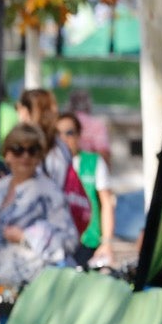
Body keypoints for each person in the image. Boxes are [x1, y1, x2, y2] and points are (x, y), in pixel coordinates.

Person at [0, 122, 75, 324]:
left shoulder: (48, 191)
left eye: (32, 150)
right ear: (6, 154)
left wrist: (27, 236)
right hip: (3, 286)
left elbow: (69, 239)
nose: (25, 156)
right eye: (18, 149)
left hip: (36, 289)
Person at [58, 111, 115, 267]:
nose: (64, 138)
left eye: (69, 132)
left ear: (79, 135)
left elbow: (107, 203)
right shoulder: (50, 165)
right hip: (59, 243)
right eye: (58, 133)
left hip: (89, 242)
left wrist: (107, 242)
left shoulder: (94, 162)